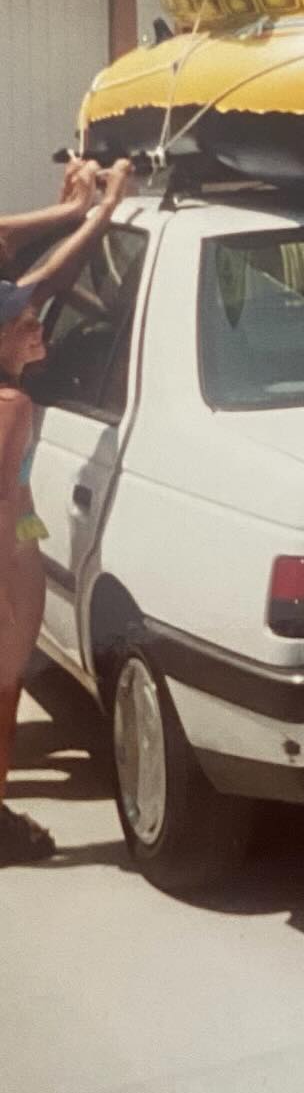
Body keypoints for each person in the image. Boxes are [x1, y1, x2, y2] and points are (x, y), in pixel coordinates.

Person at [0, 158, 131, 865]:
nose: (39, 328)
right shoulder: (12, 408)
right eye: (26, 324)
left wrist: (76, 212)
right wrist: (100, 212)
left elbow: (35, 279)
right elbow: (42, 284)